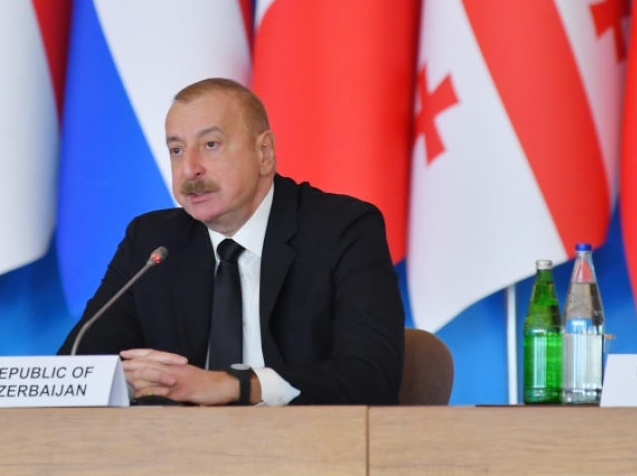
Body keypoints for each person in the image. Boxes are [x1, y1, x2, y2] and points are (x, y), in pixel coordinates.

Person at [59, 78, 404, 405]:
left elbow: (372, 376)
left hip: (305, 442)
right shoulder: (153, 242)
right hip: (180, 445)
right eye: (177, 150)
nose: (189, 169)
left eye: (211, 145)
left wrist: (230, 386)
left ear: (264, 152)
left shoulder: (341, 229)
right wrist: (132, 381)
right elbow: (74, 370)